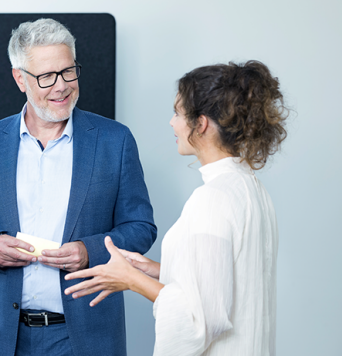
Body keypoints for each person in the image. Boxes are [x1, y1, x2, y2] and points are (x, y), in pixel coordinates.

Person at [0, 18, 156, 356]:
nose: (61, 86)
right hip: (2, 335)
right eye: (46, 77)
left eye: (68, 71)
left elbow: (141, 228)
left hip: (86, 336)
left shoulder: (115, 140)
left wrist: (90, 251)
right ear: (20, 79)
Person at [65, 60, 289, 355]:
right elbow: (225, 282)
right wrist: (159, 270)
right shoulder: (250, 188)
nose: (172, 123)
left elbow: (197, 320)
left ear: (202, 123)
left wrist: (132, 280)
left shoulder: (212, 199)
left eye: (177, 113)